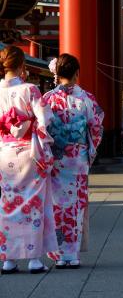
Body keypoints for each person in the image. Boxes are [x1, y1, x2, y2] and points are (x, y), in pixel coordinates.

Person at [0, 46, 57, 274]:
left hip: (4, 154)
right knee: (33, 203)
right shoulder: (30, 89)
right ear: (22, 65)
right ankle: (34, 259)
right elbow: (44, 119)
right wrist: (32, 127)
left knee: (8, 203)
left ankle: (9, 260)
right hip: (29, 152)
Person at [44, 54, 104, 269]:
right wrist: (90, 151)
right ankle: (73, 254)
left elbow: (41, 129)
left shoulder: (48, 99)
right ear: (77, 73)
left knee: (57, 206)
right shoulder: (86, 98)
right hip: (77, 159)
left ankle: (60, 254)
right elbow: (96, 127)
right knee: (76, 206)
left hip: (56, 158)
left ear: (57, 74)